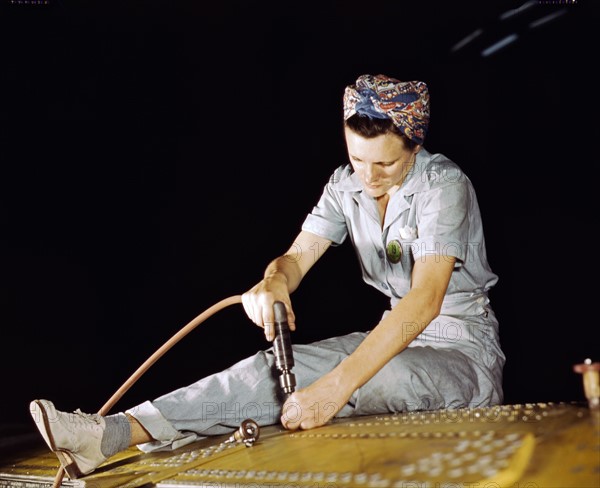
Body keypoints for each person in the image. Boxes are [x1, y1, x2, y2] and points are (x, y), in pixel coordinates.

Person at [29, 73, 505, 479]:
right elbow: (295, 258)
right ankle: (109, 435)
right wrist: (275, 281)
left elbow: (423, 301)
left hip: (460, 348)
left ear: (415, 145)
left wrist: (336, 387)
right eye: (359, 160)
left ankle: (341, 384)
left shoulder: (444, 185)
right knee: (273, 371)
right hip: (392, 334)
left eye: (386, 164)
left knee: (367, 380)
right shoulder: (345, 185)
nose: (369, 177)